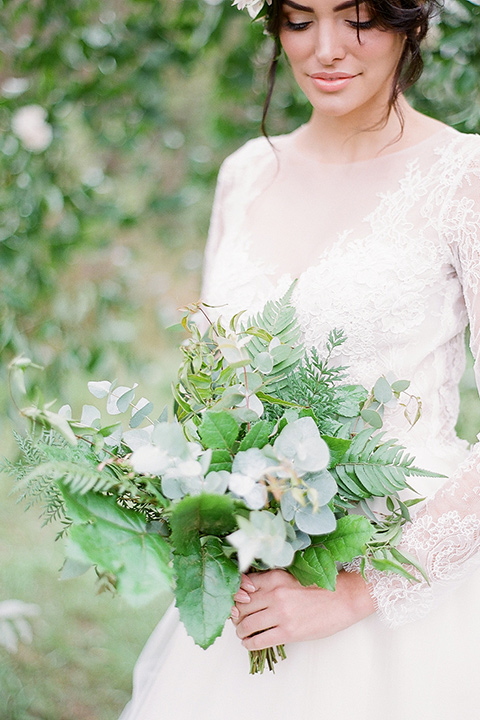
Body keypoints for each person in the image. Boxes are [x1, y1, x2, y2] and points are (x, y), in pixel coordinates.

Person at [119, 0, 480, 717]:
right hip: (256, 574)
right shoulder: (246, 172)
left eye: (359, 19)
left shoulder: (463, 177)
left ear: (412, 24)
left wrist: (359, 593)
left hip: (411, 587)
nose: (326, 49)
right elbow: (211, 388)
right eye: (299, 19)